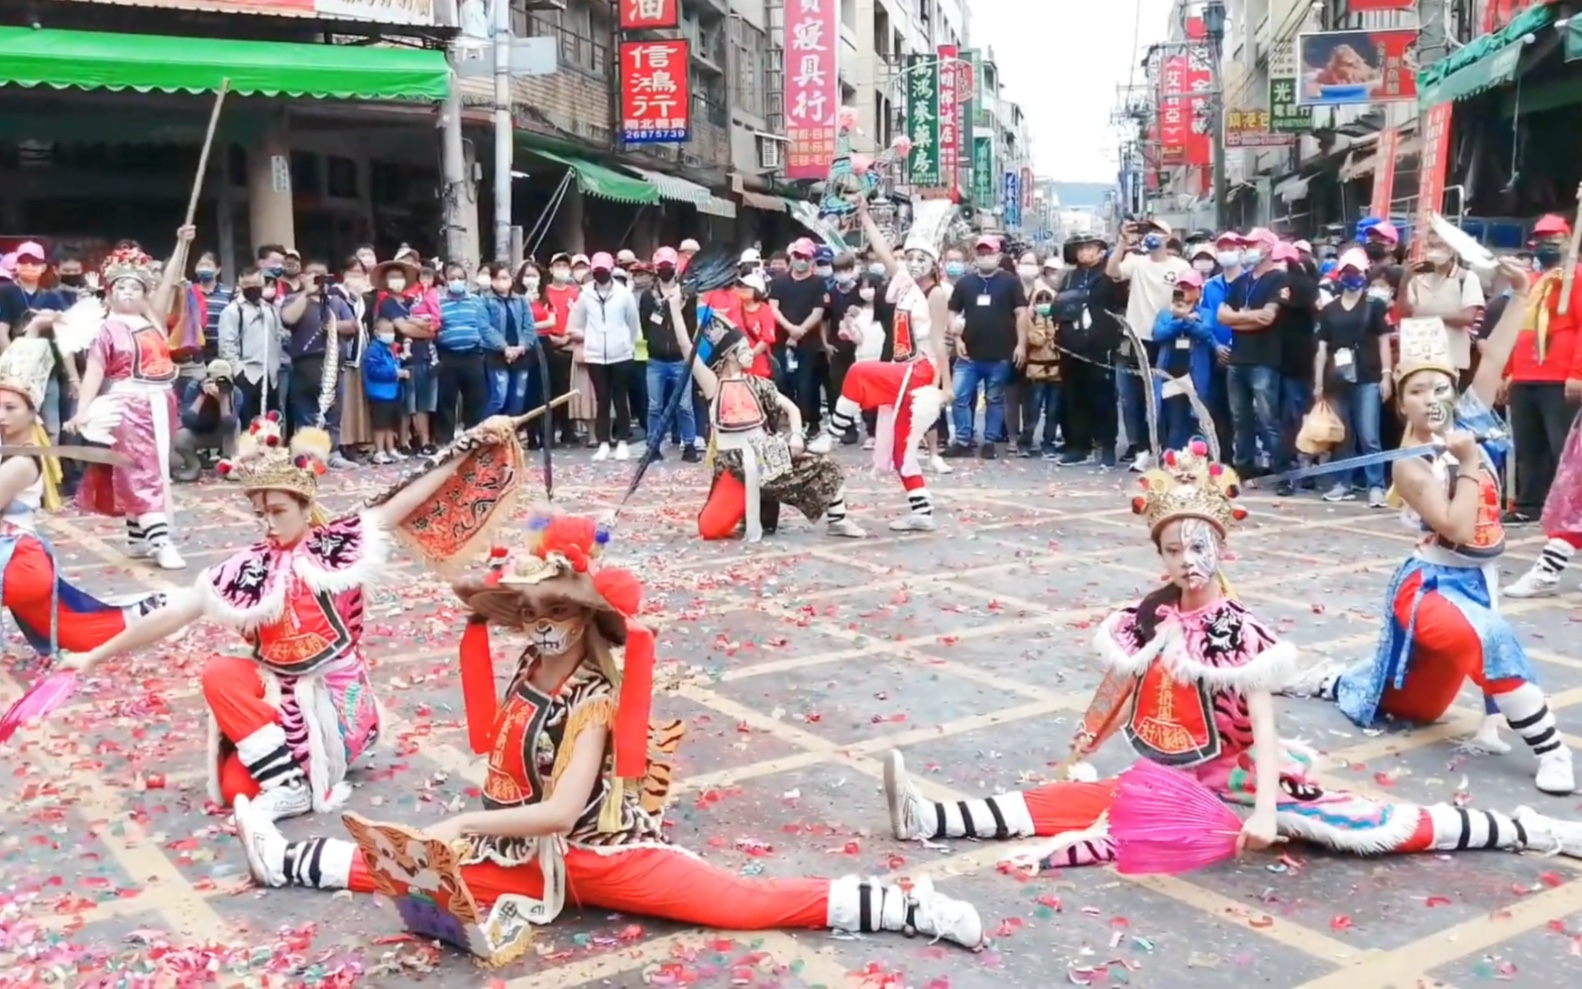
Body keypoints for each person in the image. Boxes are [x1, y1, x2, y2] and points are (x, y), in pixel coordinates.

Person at [233, 515, 985, 951]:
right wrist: (471, 834)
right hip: (527, 854)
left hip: (600, 854)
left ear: (586, 618)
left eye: (555, 611)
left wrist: (468, 819)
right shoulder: (530, 662)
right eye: (528, 612)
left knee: (739, 904)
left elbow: (562, 811)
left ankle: (905, 903)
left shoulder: (594, 693)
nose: (539, 625)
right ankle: (289, 859)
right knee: (419, 871)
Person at [882, 438, 1582, 868]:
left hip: (1248, 784)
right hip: (1183, 781)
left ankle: (1533, 826)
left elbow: (1264, 724)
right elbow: (1117, 686)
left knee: (1383, 825)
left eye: (1198, 546)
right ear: (1156, 551)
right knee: (1085, 800)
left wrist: (1270, 811)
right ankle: (932, 818)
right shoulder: (1152, 611)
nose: (1188, 559)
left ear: (1220, 547)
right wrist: (1079, 743)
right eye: (1174, 548)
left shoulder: (1235, 625)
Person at [64, 413, 530, 824]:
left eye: (279, 511)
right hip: (275, 693)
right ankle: (288, 782)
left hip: (335, 698)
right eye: (260, 512)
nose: (268, 523)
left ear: (307, 509)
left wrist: (467, 442)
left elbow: (409, 493)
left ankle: (293, 785)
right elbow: (173, 614)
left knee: (249, 785)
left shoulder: (338, 543)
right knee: (232, 758)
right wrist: (92, 657)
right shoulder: (247, 565)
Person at [1289, 258, 1579, 796]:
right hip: (1431, 587)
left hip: (1480, 583)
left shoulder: (1469, 416)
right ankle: (1552, 751)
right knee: (1493, 641)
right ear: (1402, 402)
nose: (1432, 400)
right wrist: (1468, 463)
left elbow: (1493, 354)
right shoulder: (1410, 463)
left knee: (1415, 704)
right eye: (1417, 392)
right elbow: (1458, 528)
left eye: (1439, 388)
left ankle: (1330, 677)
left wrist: (1519, 294)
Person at [0, 323, 164, 653]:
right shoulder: (12, 448)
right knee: (77, 629)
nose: (0, 415)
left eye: (10, 409)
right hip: (23, 561)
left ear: (35, 414)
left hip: (16, 563)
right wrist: (32, 332)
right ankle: (141, 618)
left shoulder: (21, 462)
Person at [670, 291, 861, 541]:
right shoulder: (714, 385)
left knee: (824, 466)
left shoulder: (760, 384)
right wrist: (675, 308)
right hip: (733, 464)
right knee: (710, 528)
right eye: (743, 347)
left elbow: (791, 409)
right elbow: (687, 348)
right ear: (728, 354)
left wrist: (795, 436)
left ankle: (839, 520)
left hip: (768, 455)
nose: (750, 350)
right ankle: (750, 511)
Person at [808, 196, 949, 532]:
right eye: (910, 257)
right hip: (903, 370)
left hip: (921, 370)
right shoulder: (904, 285)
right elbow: (885, 253)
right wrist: (866, 217)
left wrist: (947, 386)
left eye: (922, 259)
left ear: (935, 264)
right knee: (902, 450)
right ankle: (922, 511)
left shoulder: (937, 295)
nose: (913, 263)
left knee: (858, 372)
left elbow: (941, 343)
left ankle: (833, 432)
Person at [66, 239, 191, 570]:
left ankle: (138, 536)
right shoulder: (107, 329)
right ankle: (161, 540)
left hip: (162, 401)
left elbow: (168, 281)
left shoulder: (153, 321)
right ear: (109, 292)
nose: (128, 292)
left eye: (135, 287)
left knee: (157, 468)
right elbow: (94, 372)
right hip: (128, 404)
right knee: (142, 470)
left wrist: (180, 245)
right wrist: (82, 410)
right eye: (121, 286)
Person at [1503, 213, 1582, 527]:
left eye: (1554, 239)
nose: (1546, 245)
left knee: (1564, 446)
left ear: (1566, 241)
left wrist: (1577, 372)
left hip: (1560, 378)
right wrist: (1508, 371)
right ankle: (1529, 504)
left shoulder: (1575, 280)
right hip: (1525, 376)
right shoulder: (1531, 284)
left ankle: (1572, 508)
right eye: (1541, 239)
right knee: (1528, 446)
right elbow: (1517, 331)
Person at [1107, 219, 1192, 472]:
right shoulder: (1136, 262)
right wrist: (1123, 242)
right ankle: (1144, 449)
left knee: (1167, 397)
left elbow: (1186, 299)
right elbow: (1112, 272)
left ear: (1169, 236)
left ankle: (1170, 449)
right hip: (1137, 339)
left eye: (1157, 232)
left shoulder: (1181, 266)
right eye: (1148, 232)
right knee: (1137, 399)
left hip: (1168, 338)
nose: (1152, 236)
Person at [1312, 248, 1390, 507]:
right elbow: (1322, 348)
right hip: (1337, 377)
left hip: (1367, 375)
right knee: (1342, 434)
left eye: (1355, 272)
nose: (1351, 277)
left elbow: (1383, 342)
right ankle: (1342, 482)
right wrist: (1319, 383)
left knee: (1369, 433)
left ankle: (1375, 484)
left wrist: (1387, 375)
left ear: (1364, 273)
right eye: (1346, 272)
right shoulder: (1329, 309)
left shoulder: (1374, 306)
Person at [944, 234, 1027, 459]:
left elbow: (1021, 314)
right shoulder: (965, 283)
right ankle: (963, 439)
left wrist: (1021, 344)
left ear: (999, 255)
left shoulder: (1011, 281)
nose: (985, 257)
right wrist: (957, 339)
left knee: (995, 398)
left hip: (1001, 353)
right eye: (981, 253)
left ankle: (990, 440)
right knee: (960, 397)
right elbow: (953, 311)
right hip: (968, 353)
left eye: (989, 253)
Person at [569, 252, 640, 462]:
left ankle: (622, 441)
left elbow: (633, 323)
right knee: (602, 399)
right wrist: (591, 337)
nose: (600, 275)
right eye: (597, 272)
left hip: (621, 354)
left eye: (604, 271)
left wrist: (626, 342)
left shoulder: (623, 294)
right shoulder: (585, 295)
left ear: (610, 271)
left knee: (620, 398)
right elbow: (576, 323)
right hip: (596, 356)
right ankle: (603, 442)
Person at [1151, 270, 1216, 451]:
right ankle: (1172, 458)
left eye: (1189, 287)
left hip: (1195, 374)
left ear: (1198, 291)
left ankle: (1199, 459)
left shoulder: (1206, 313)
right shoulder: (1165, 313)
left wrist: (1187, 320)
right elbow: (1158, 334)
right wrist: (1180, 319)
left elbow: (1205, 332)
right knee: (1174, 418)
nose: (1185, 291)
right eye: (1182, 287)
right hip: (1170, 373)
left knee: (1198, 418)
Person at [173, 359, 238, 482]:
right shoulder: (194, 388)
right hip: (198, 432)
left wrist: (223, 401)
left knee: (237, 423)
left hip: (222, 434)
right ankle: (194, 465)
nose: (219, 385)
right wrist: (202, 396)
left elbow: (231, 425)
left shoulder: (234, 392)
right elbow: (186, 421)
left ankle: (227, 464)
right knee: (179, 436)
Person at [1017, 282, 1062, 458]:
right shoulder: (1030, 320)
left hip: (1056, 371)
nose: (1044, 303)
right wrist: (1042, 322)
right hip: (1036, 370)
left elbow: (1058, 341)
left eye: (1048, 300)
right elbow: (1036, 340)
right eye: (1040, 300)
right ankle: (1025, 442)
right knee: (1032, 410)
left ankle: (1048, 443)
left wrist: (1052, 321)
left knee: (1053, 411)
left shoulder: (1059, 318)